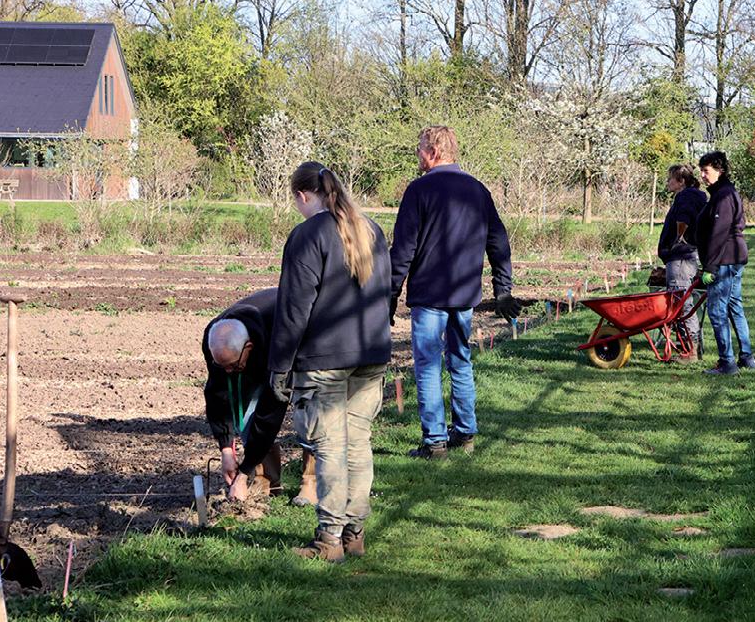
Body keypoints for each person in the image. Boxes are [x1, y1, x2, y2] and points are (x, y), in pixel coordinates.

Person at [268, 162, 394, 562]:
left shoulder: (308, 235)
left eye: (296, 202)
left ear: (303, 196)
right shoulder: (371, 230)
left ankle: (328, 540)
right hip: (371, 354)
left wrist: (280, 365)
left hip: (325, 359)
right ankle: (354, 534)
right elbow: (386, 292)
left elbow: (294, 309)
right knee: (358, 444)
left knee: (330, 448)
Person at [389, 125, 521, 460]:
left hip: (429, 296)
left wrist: (390, 295)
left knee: (428, 366)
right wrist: (503, 289)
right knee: (460, 361)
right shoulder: (478, 190)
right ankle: (465, 432)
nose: (417, 154)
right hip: (464, 295)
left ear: (433, 152)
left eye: (420, 148)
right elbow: (498, 242)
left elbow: (403, 250)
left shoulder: (419, 190)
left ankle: (435, 442)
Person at [202, 287, 316, 506]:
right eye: (222, 366)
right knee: (245, 411)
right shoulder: (216, 339)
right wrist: (226, 448)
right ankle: (267, 481)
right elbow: (217, 395)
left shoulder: (276, 339)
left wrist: (243, 472)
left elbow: (271, 412)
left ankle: (311, 482)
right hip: (261, 346)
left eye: (233, 365)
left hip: (303, 343)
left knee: (309, 412)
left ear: (249, 347)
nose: (228, 371)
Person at [694, 150, 755, 375]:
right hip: (731, 257)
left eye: (706, 171)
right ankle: (746, 357)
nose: (702, 175)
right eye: (701, 171)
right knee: (733, 306)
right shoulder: (722, 193)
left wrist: (710, 267)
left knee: (717, 310)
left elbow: (719, 234)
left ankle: (727, 362)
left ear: (719, 170)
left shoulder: (724, 196)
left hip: (725, 260)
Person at [657, 163, 708, 362]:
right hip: (684, 257)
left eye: (671, 178)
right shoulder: (694, 196)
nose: (668, 182)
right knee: (681, 301)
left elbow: (684, 218)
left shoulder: (686, 196)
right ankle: (689, 346)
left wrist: (678, 239)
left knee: (680, 302)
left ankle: (690, 350)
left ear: (681, 181)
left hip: (681, 258)